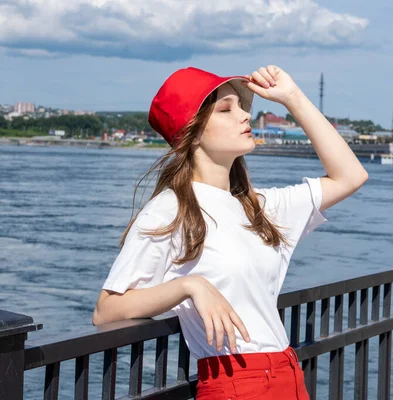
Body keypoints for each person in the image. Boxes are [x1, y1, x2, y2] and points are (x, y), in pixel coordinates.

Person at [92, 65, 369, 399]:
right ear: (191, 133)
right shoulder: (171, 210)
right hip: (235, 384)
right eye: (226, 109)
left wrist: (293, 97)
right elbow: (107, 309)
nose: (244, 116)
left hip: (287, 375)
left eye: (242, 106)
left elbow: (350, 176)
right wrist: (190, 286)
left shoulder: (259, 206)